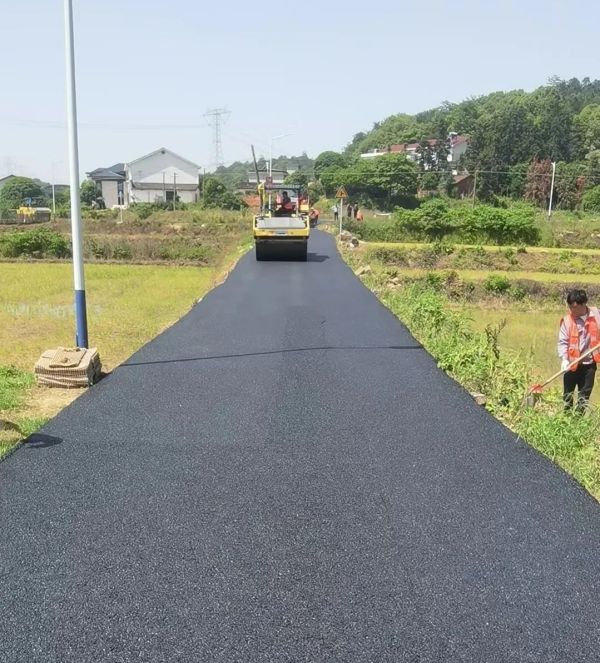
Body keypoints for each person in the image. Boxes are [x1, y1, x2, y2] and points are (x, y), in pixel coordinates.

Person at [557, 288, 600, 413]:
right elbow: (563, 342)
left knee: (584, 397)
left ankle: (577, 423)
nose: (572, 310)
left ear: (583, 304)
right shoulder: (567, 321)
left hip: (589, 365)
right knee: (567, 396)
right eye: (570, 307)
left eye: (574, 307)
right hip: (571, 364)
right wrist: (564, 359)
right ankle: (566, 420)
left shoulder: (597, 315)